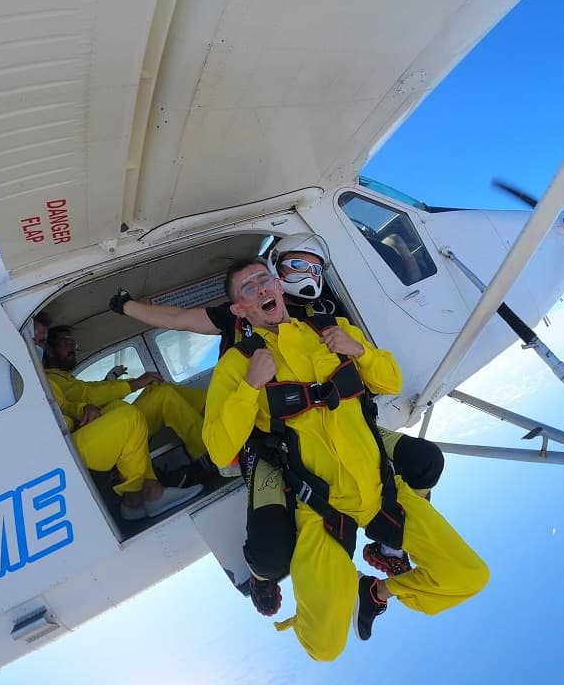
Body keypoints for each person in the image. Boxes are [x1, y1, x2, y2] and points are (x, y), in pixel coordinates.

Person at [109, 234, 444, 592]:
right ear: (276, 270)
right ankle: (261, 579)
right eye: (295, 264)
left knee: (426, 461)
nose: (305, 274)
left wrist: (357, 354)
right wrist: (125, 306)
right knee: (269, 557)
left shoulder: (326, 318)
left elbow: (375, 375)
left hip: (343, 427)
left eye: (313, 267)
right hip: (270, 438)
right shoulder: (241, 314)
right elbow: (178, 318)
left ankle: (391, 543)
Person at [202, 258, 488, 660]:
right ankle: (321, 594)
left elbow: (389, 381)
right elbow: (218, 448)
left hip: (384, 491)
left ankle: (374, 591)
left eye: (265, 280)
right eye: (249, 288)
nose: (263, 289)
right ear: (239, 309)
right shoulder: (237, 364)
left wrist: (357, 350)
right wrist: (250, 386)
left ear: (280, 288)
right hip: (321, 511)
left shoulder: (330, 330)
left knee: (469, 575)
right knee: (325, 648)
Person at [44, 326, 208, 518]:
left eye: (73, 343)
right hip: (88, 441)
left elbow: (93, 389)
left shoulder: (66, 379)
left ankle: (210, 406)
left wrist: (134, 382)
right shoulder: (49, 380)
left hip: (98, 431)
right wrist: (134, 384)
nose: (71, 347)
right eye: (65, 342)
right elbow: (90, 395)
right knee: (140, 406)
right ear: (48, 349)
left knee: (160, 390)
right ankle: (210, 455)